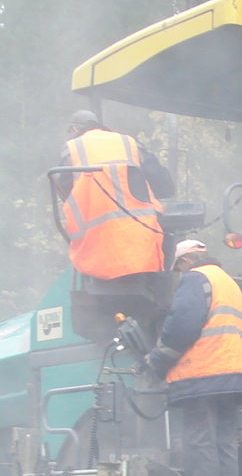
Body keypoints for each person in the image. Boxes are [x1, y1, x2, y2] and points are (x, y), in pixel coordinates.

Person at [144, 240, 242, 476]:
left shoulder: (196, 279)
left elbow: (182, 327)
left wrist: (156, 360)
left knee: (200, 443)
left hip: (203, 376)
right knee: (224, 444)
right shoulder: (228, 283)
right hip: (231, 376)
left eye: (178, 266)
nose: (179, 272)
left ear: (187, 260)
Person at [57, 110, 174, 319]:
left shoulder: (71, 149)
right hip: (142, 245)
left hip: (96, 249)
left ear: (74, 130)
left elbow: (64, 190)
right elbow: (161, 181)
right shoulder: (129, 143)